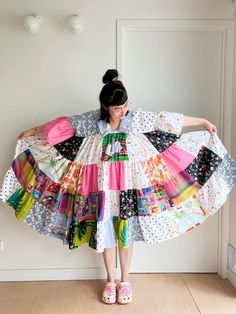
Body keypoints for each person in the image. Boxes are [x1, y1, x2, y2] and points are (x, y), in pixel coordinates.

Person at [1, 69, 236, 305]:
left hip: (128, 189)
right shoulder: (92, 122)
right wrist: (32, 132)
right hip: (102, 190)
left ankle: (125, 281)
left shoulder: (136, 119)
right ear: (105, 107)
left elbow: (167, 119)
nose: (123, 111)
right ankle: (110, 281)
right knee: (106, 234)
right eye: (117, 108)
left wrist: (202, 121)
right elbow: (62, 126)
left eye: (125, 106)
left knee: (125, 235)